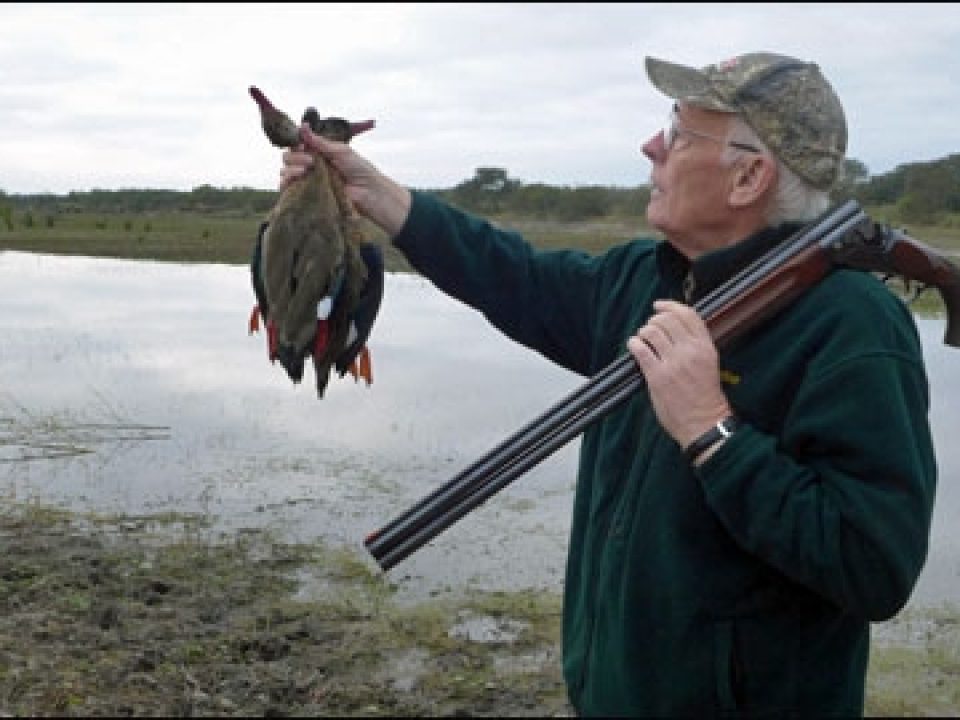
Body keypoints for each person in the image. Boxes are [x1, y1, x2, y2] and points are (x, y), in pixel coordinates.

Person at [278, 52, 937, 716]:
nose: (651, 145)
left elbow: (873, 565)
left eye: (679, 133)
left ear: (749, 176)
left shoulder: (853, 326)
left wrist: (712, 431)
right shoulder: (645, 278)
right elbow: (515, 276)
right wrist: (375, 195)